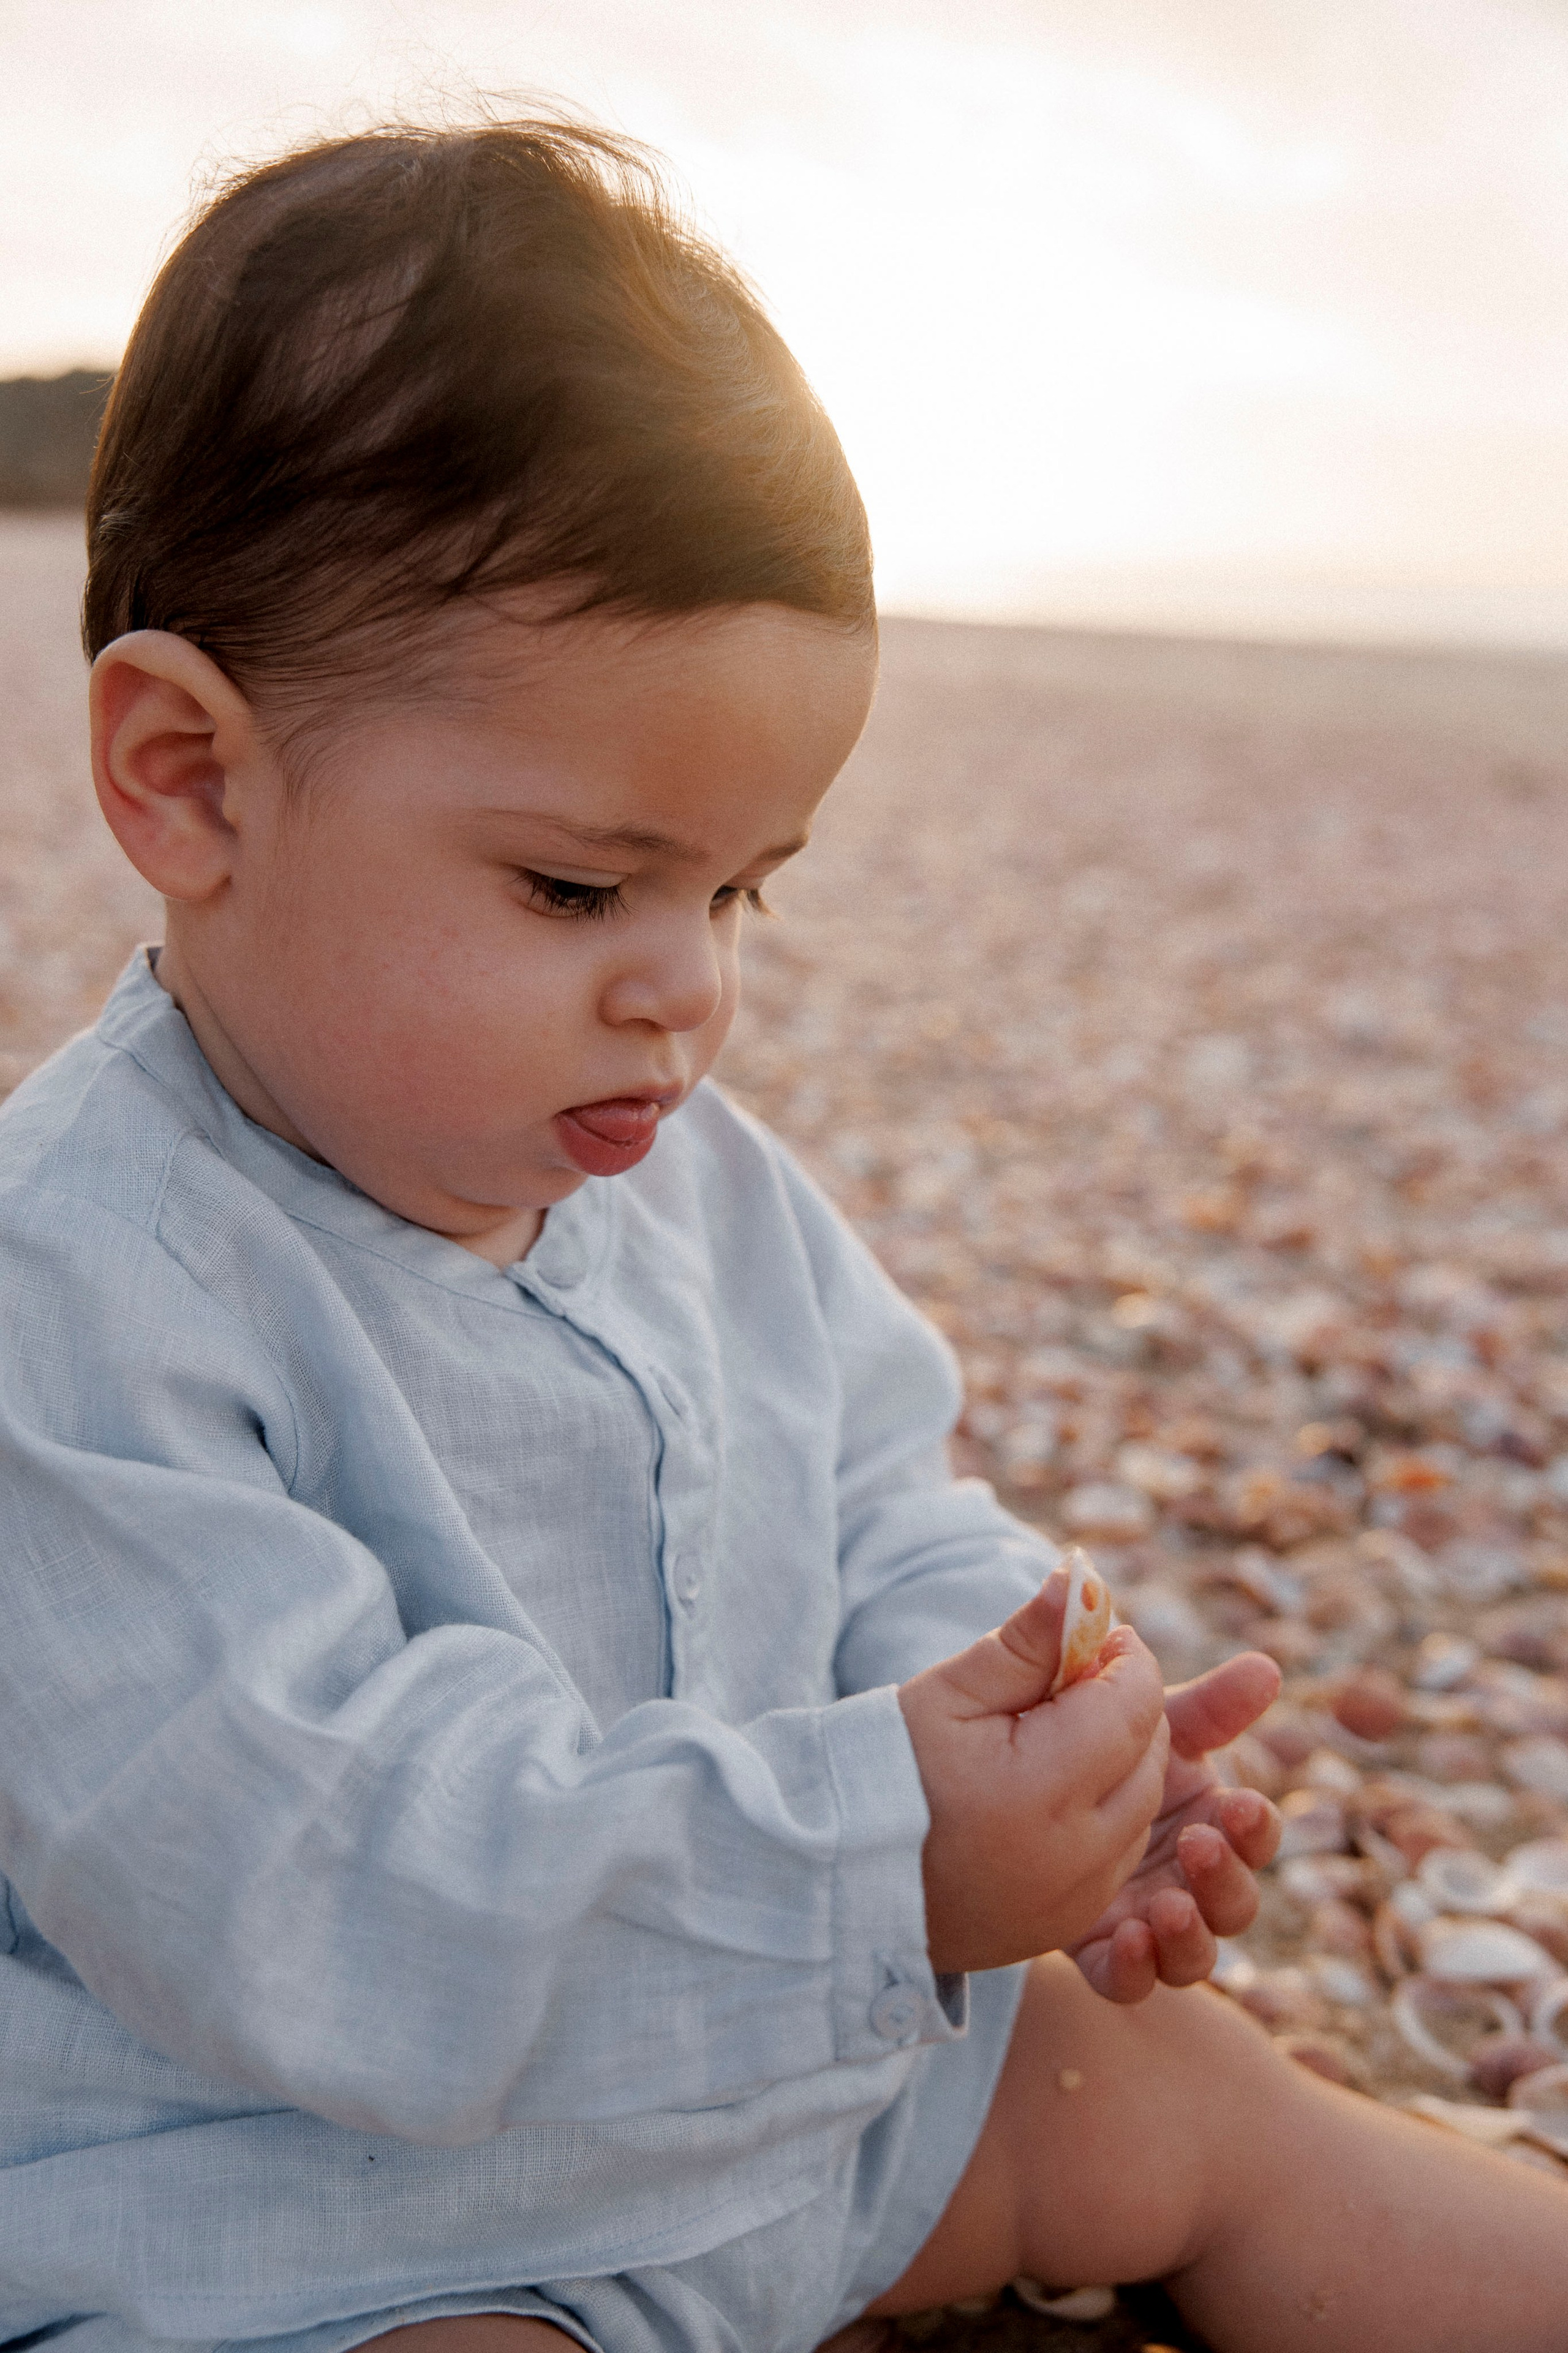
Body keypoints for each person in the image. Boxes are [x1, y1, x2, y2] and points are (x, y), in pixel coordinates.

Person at [1, 118, 1564, 2353]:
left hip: (774, 2100)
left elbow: (868, 1506)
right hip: (304, 2205)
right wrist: (874, 1851)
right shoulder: (78, 1293)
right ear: (189, 778)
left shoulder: (695, 1180)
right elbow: (329, 1876)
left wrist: (1035, 1747)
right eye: (577, 886)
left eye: (741, 889)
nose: (686, 987)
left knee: (1195, 2092)